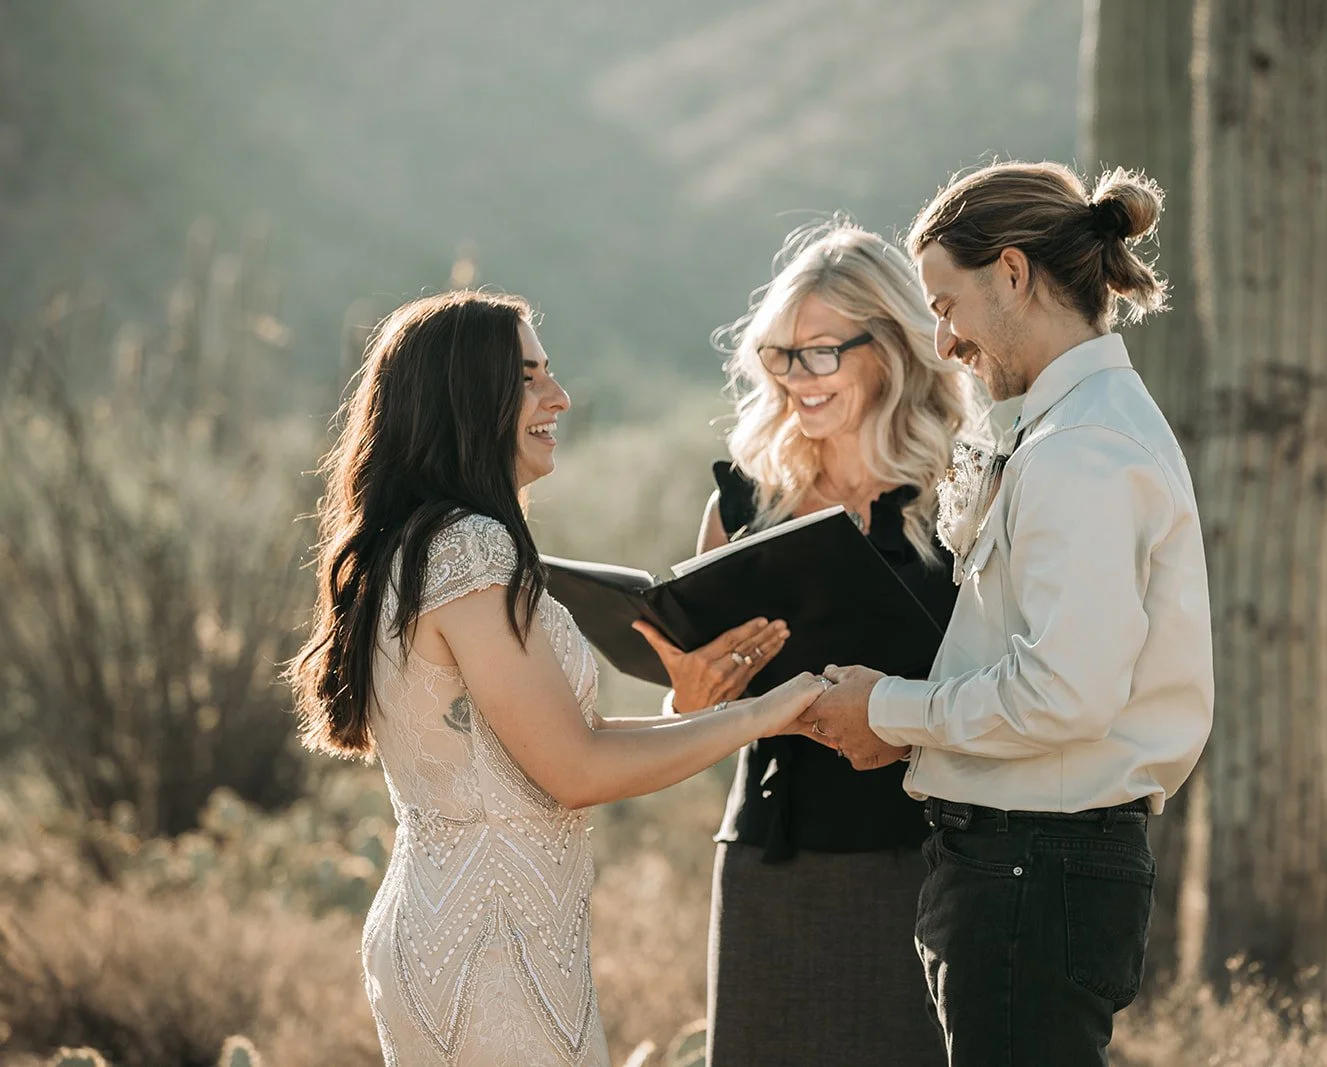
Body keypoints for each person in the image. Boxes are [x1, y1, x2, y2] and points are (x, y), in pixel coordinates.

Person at [287, 291, 828, 1067]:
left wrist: (703, 710)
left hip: (470, 928)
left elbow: (568, 744)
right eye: (530, 377)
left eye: (552, 373)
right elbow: (575, 770)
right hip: (491, 950)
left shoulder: (418, 543)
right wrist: (768, 714)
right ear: (467, 398)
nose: (559, 397)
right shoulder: (470, 549)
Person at [802, 162, 1215, 1065]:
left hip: (1035, 871)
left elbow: (1065, 692)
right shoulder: (1059, 432)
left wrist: (889, 710)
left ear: (1015, 274)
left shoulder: (1083, 450)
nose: (945, 343)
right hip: (1025, 868)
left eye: (947, 305)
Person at [630, 219, 979, 1066]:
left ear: (892, 347)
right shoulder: (743, 506)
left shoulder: (965, 489)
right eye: (781, 355)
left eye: (821, 352)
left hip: (932, 868)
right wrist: (690, 700)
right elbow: (691, 709)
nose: (796, 379)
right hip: (769, 866)